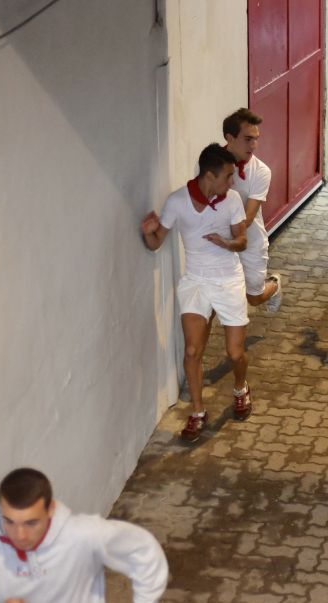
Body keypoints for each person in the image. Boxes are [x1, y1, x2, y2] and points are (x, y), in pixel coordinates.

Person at [141, 144, 252, 443]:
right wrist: (147, 230)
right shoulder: (177, 202)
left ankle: (241, 388)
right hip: (196, 281)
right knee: (192, 350)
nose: (232, 182)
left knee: (235, 353)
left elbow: (242, 240)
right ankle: (198, 411)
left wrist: (228, 244)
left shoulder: (232, 200)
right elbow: (155, 243)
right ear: (209, 175)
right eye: (228, 176)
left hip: (229, 280)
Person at [0, 468, 168, 602]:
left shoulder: (84, 535)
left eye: (31, 523)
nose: (19, 535)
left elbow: (144, 551)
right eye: (9, 521)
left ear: (51, 509)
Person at [221, 108, 281, 311]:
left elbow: (247, 218)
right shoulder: (208, 166)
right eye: (248, 139)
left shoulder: (261, 171)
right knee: (215, 304)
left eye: (256, 139)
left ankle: (274, 284)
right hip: (219, 244)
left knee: (253, 298)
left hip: (250, 242)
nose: (254, 145)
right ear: (230, 138)